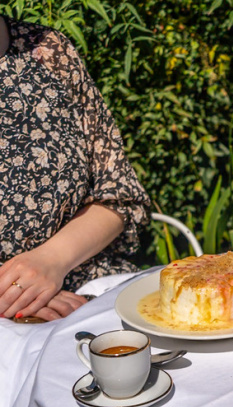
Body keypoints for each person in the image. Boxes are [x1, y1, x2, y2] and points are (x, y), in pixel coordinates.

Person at [0, 16, 151, 321]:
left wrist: (50, 261)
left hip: (91, 294)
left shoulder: (47, 50)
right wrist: (18, 295)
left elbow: (118, 194)